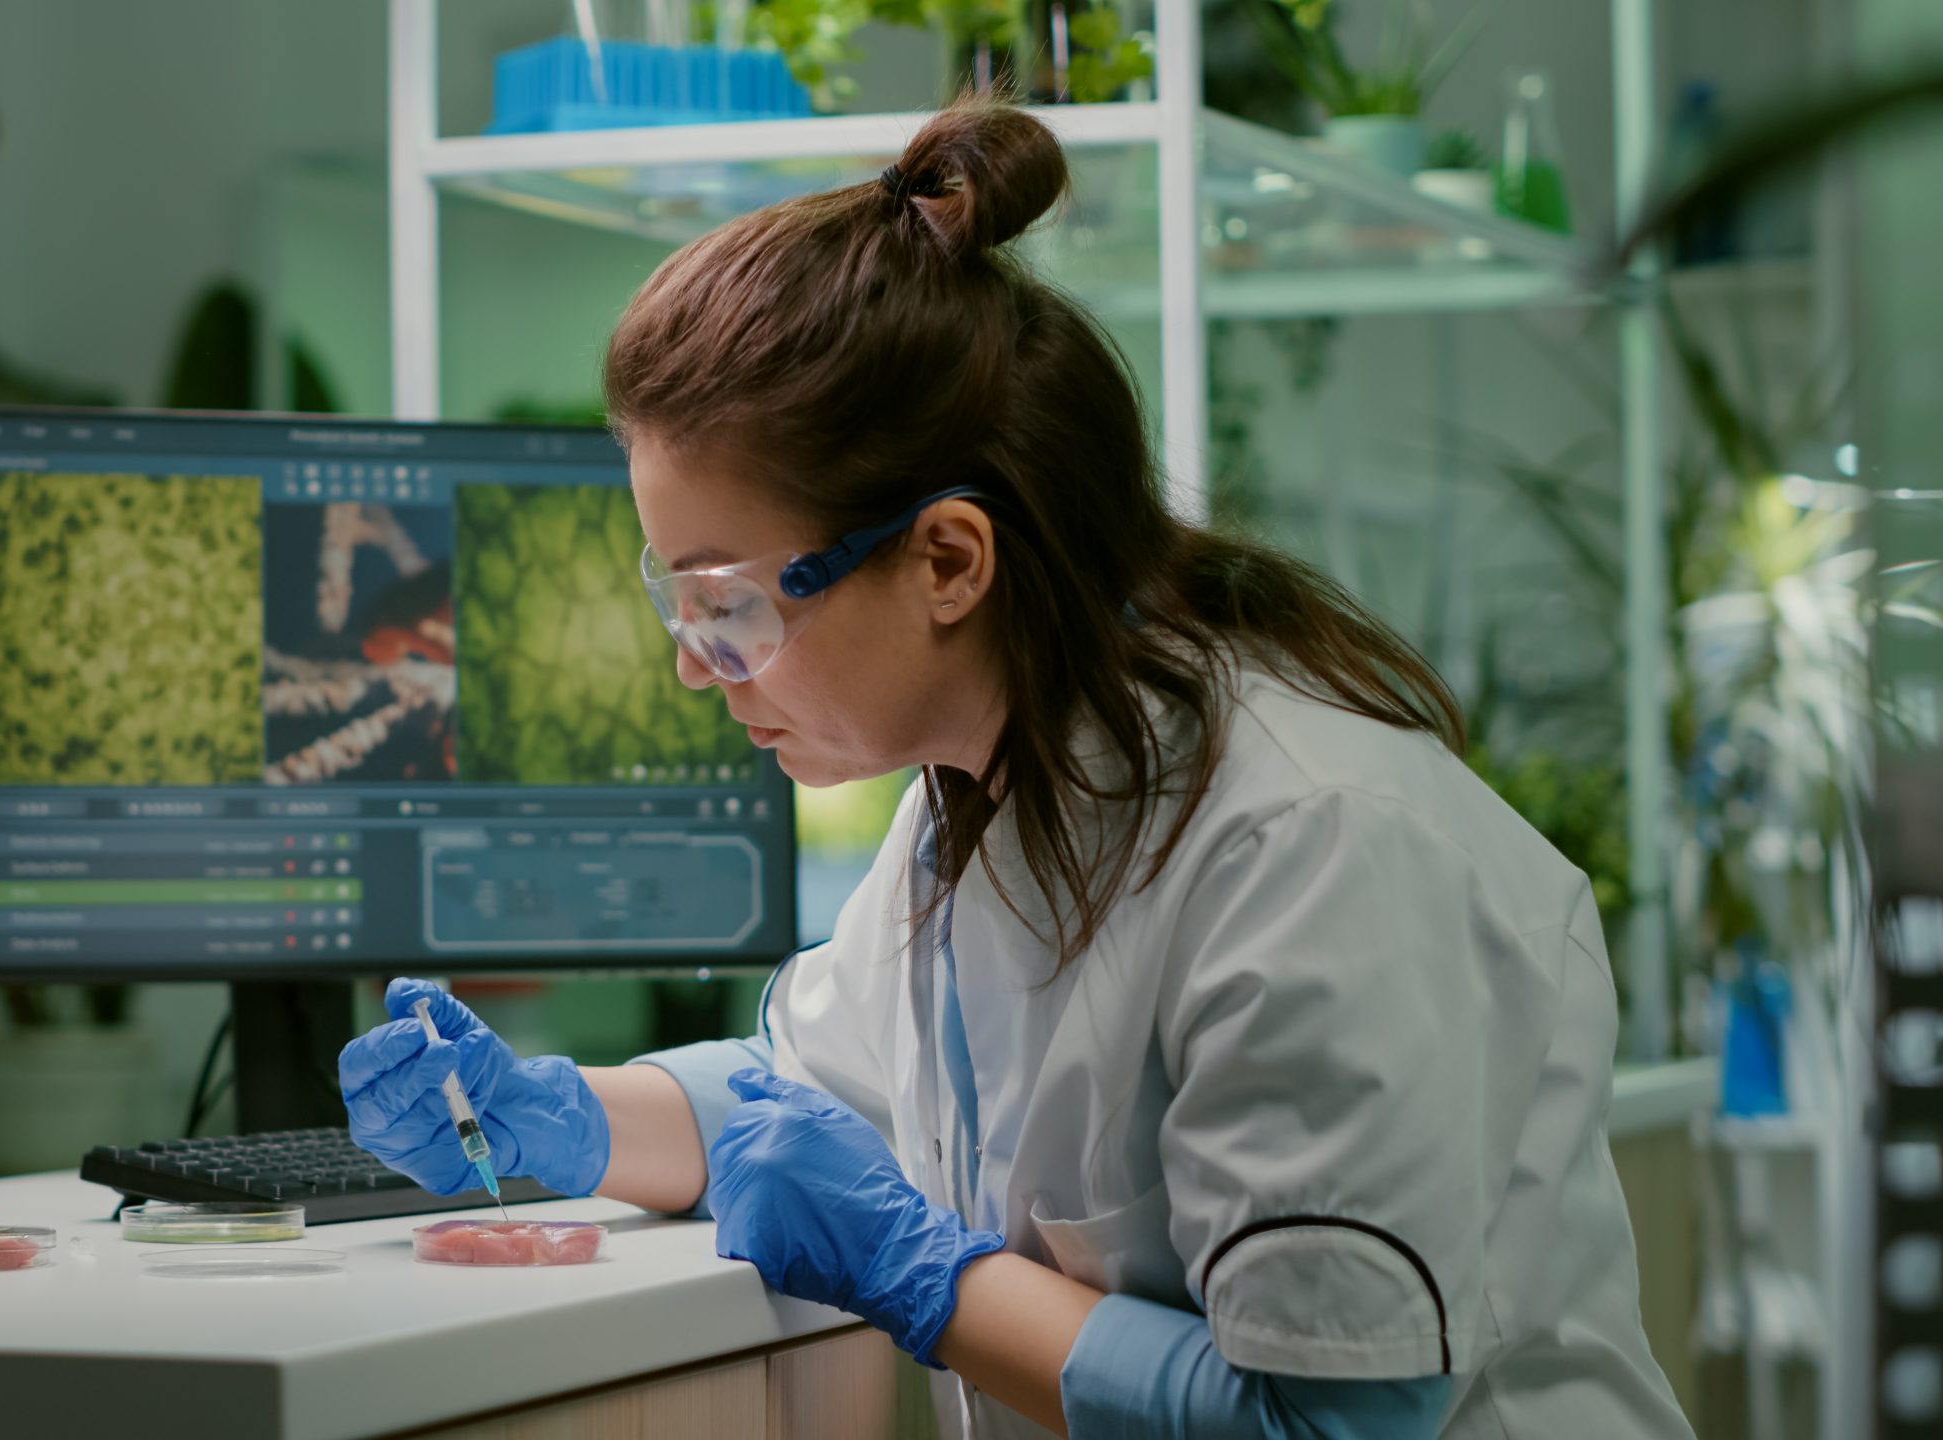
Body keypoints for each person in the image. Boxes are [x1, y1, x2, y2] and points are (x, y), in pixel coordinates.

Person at [340, 100, 1695, 1440]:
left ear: (947, 560)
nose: (696, 666)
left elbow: (1328, 1423)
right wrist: (544, 1117)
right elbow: (799, 1094)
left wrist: (925, 1276)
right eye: (677, 602)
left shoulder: (1310, 848)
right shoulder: (979, 804)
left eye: (730, 605)